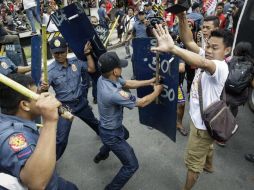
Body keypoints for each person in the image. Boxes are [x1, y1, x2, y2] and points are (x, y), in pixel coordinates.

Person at [151, 23, 233, 190]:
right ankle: (209, 165)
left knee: (193, 163)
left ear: (227, 51)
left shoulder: (219, 66)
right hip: (204, 122)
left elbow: (203, 63)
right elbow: (189, 42)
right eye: (208, 45)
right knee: (208, 145)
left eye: (215, 47)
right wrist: (182, 17)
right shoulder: (209, 56)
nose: (209, 50)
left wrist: (173, 49)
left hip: (202, 126)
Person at [94, 51, 163, 190]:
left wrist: (150, 82)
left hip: (108, 128)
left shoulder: (104, 78)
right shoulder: (114, 93)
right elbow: (142, 102)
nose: (121, 68)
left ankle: (102, 153)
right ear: (115, 71)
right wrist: (157, 91)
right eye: (120, 66)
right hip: (111, 133)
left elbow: (128, 83)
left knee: (125, 134)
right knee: (132, 165)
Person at [0, 73, 78, 190]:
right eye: (37, 95)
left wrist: (40, 91)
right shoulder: (13, 137)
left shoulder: (8, 116)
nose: (42, 97)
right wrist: (50, 122)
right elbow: (37, 182)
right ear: (25, 105)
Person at [40, 36, 99, 160]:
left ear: (67, 49)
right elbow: (41, 93)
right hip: (64, 107)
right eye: (56, 53)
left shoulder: (75, 62)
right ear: (51, 52)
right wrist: (42, 87)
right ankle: (50, 163)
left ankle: (109, 140)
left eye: (62, 52)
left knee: (96, 124)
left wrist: (88, 54)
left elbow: (91, 69)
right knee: (61, 139)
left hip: (80, 102)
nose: (60, 55)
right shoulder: (49, 71)